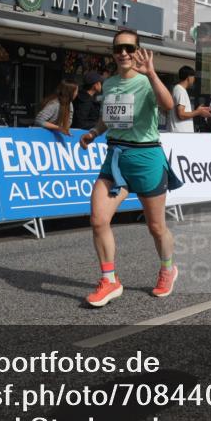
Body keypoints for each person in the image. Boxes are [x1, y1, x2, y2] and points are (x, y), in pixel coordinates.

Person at [79, 30, 182, 307]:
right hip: (116, 158)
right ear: (113, 53)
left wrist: (151, 73)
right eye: (118, 48)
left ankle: (167, 269)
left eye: (128, 47)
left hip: (146, 159)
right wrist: (93, 133)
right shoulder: (109, 84)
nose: (123, 53)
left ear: (137, 50)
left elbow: (168, 106)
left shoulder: (147, 81)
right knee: (99, 219)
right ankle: (109, 280)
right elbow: (107, 118)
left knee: (156, 227)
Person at [168, 66, 211, 133]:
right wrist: (198, 112)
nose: (194, 79)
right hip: (180, 135)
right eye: (193, 77)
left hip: (181, 135)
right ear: (189, 77)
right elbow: (181, 115)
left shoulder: (180, 89)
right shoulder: (180, 90)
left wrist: (197, 111)